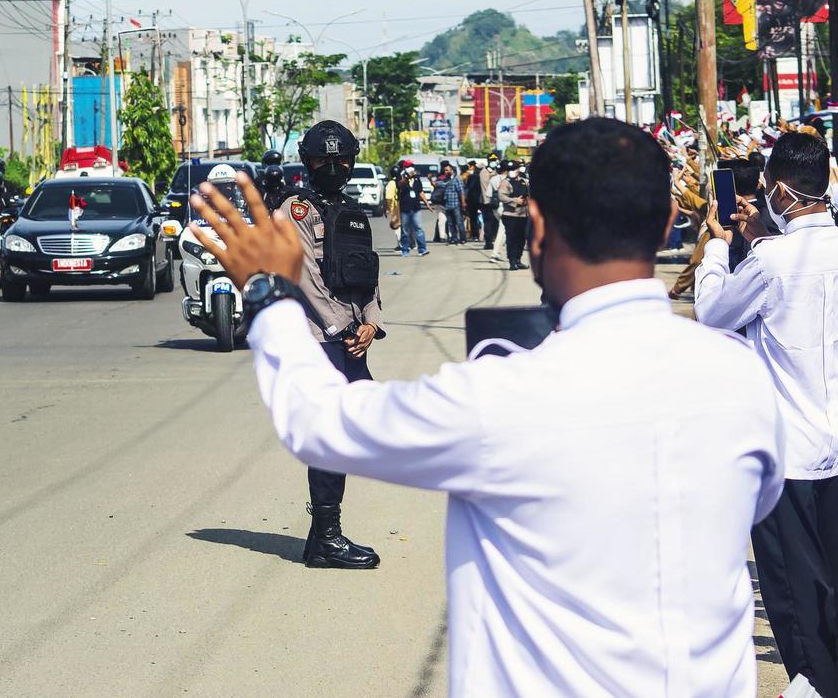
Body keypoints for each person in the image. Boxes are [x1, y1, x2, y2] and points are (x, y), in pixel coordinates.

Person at [189, 117, 784, 696]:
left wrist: (268, 294)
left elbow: (316, 421)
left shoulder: (501, 398)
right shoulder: (745, 381)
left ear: (536, 228)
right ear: (668, 226)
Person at [697, 130, 838, 698]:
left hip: (783, 449)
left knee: (790, 588)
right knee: (834, 579)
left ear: (778, 189)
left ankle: (811, 685)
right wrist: (764, 234)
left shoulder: (770, 260)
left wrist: (721, 246)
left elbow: (714, 314)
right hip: (834, 443)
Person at [274, 119, 384, 569]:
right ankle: (326, 537)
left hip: (349, 339)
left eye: (342, 159)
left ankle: (325, 536)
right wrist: (343, 327)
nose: (334, 166)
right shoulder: (293, 212)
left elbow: (368, 275)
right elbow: (304, 277)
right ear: (308, 161)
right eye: (324, 158)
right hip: (317, 338)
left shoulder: (351, 211)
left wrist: (371, 324)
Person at [498, 160, 529, 270]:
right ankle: (512, 261)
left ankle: (518, 260)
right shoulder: (505, 182)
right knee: (512, 239)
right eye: (510, 170)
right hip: (510, 215)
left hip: (523, 215)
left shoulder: (525, 181)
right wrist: (514, 200)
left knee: (521, 239)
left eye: (513, 170)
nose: (511, 172)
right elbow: (501, 196)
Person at [396, 162, 427, 257]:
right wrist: (407, 177)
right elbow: (400, 185)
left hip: (416, 207)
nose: (411, 169)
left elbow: (420, 191)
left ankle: (422, 249)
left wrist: (427, 203)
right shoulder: (401, 177)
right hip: (405, 208)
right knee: (405, 230)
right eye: (409, 167)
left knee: (418, 228)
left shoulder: (417, 179)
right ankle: (405, 249)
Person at [436, 163, 465, 244]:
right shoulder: (446, 180)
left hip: (456, 204)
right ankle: (454, 238)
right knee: (450, 223)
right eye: (445, 170)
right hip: (448, 205)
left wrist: (463, 203)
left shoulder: (457, 179)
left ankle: (462, 238)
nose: (446, 172)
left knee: (459, 222)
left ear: (452, 170)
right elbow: (438, 184)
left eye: (447, 170)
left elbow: (461, 192)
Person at [478, 153, 500, 250]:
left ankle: (493, 240)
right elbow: (484, 187)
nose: (493, 162)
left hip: (495, 201)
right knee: (488, 222)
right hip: (487, 202)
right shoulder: (484, 172)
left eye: (495, 160)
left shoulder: (495, 171)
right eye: (492, 160)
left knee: (495, 223)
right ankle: (488, 242)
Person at [461, 161, 480, 242]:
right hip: (480, 199)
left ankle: (474, 235)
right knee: (475, 218)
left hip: (472, 200)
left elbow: (468, 188)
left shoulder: (470, 177)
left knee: (473, 218)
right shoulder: (477, 176)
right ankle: (476, 234)